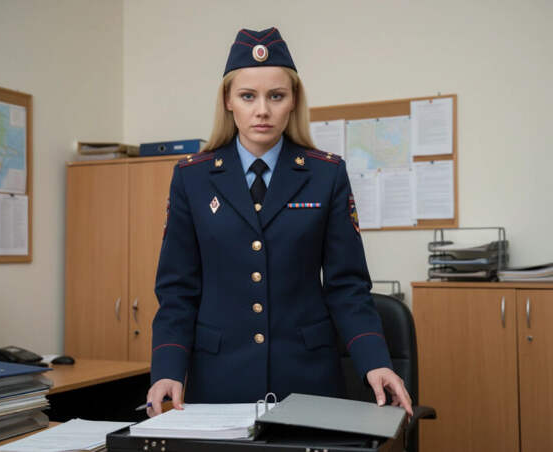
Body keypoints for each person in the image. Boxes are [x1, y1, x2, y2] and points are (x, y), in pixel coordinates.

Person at [146, 27, 413, 417]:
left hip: (307, 378)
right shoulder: (193, 178)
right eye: (247, 96)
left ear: (293, 101)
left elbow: (347, 287)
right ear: (228, 101)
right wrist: (168, 369)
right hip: (219, 379)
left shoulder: (326, 175)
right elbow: (177, 290)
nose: (262, 110)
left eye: (276, 96)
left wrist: (376, 361)